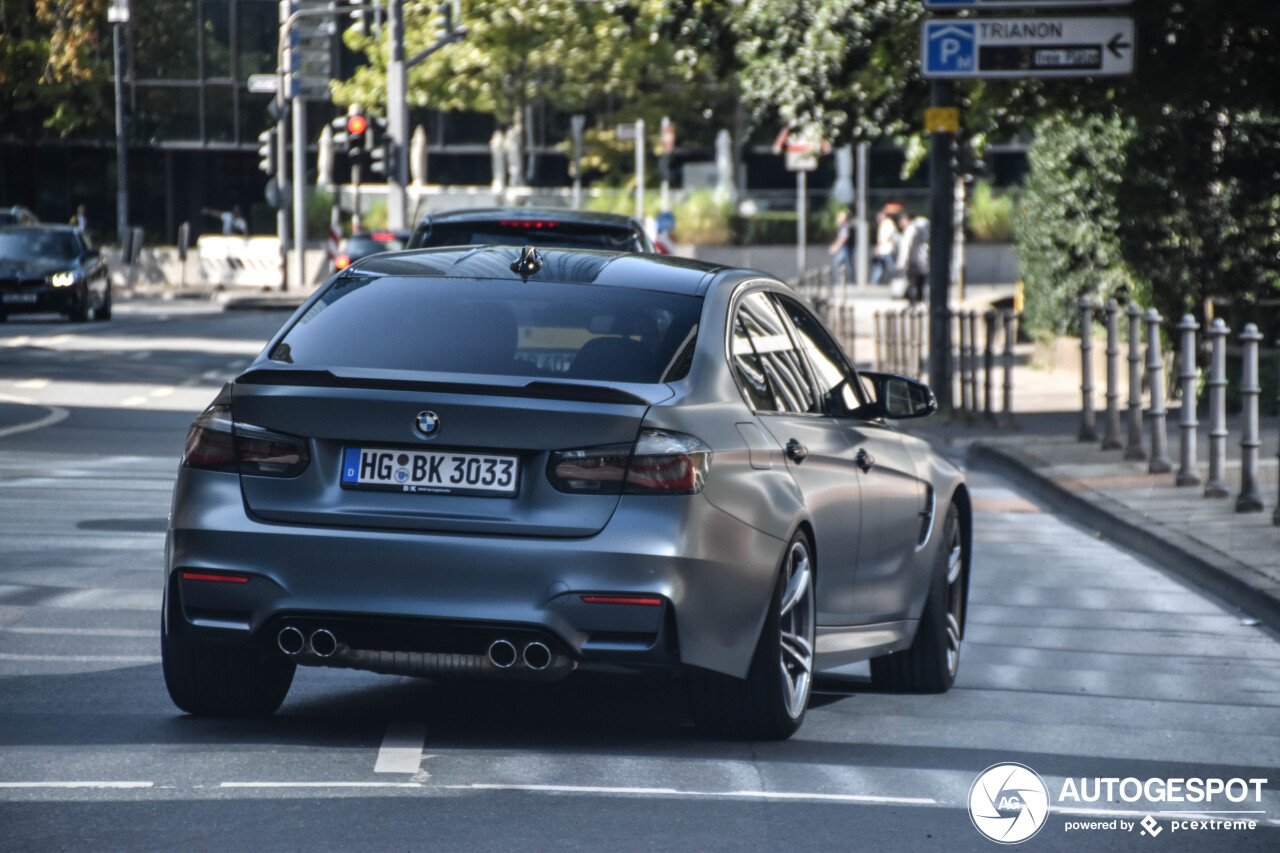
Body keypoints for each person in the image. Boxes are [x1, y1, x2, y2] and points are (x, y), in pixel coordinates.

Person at [897, 211, 930, 306]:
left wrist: (901, 261)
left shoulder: (910, 230)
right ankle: (920, 301)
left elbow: (905, 246)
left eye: (902, 220)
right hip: (923, 260)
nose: (900, 223)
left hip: (913, 261)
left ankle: (914, 301)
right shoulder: (923, 231)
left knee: (913, 282)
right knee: (920, 283)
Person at [870, 207, 900, 285]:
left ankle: (898, 280)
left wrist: (879, 247)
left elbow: (885, 238)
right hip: (883, 250)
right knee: (879, 268)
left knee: (891, 267)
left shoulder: (887, 223)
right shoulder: (884, 224)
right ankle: (874, 283)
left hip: (886, 249)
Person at [828, 209, 854, 286]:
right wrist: (834, 245)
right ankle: (847, 283)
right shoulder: (843, 227)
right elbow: (839, 238)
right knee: (846, 265)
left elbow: (844, 237)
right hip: (843, 248)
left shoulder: (846, 226)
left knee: (841, 264)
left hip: (845, 249)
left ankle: (847, 283)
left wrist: (836, 247)